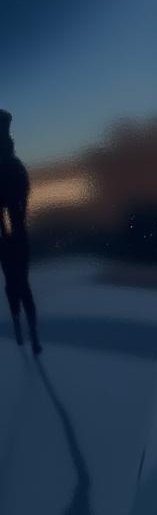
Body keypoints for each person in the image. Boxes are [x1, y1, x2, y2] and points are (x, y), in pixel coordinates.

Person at [0, 109, 41, 354]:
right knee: (19, 284)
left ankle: (22, 326)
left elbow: (19, 208)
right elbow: (20, 206)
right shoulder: (16, 168)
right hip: (15, 236)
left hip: (10, 237)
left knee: (15, 284)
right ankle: (26, 328)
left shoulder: (13, 169)